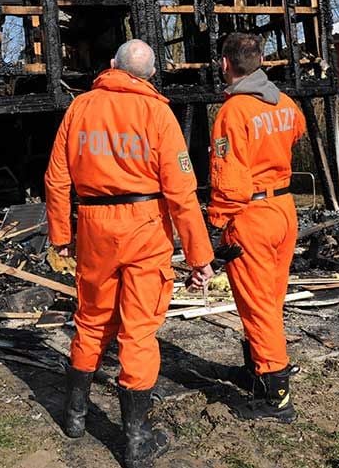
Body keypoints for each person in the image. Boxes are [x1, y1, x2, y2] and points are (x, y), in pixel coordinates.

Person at [45, 39, 215, 466]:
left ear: (110, 66)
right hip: (145, 229)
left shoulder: (80, 108)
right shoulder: (158, 113)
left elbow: (56, 178)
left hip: (95, 229)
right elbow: (181, 190)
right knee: (138, 331)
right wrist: (199, 255)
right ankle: (136, 442)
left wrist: (61, 234)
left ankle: (75, 417)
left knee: (91, 318)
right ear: (152, 75)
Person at [208, 32, 305, 422]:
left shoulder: (233, 112)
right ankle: (258, 371)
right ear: (260, 61)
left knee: (258, 305)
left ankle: (276, 393)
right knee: (272, 299)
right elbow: (295, 130)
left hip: (251, 215)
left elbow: (228, 178)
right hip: (283, 208)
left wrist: (216, 226)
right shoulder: (283, 101)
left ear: (225, 64)